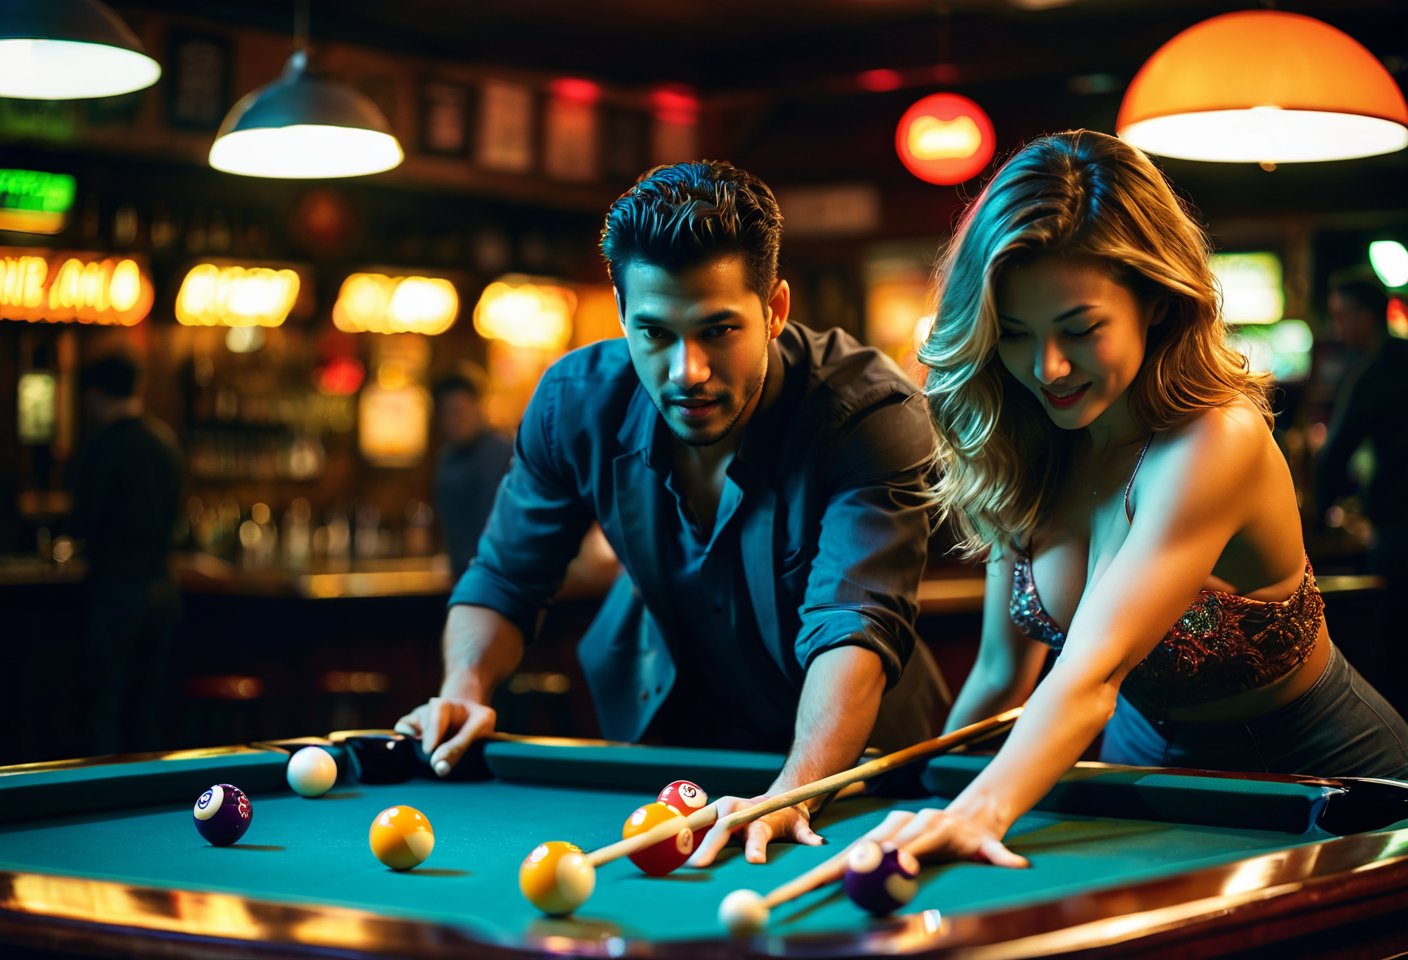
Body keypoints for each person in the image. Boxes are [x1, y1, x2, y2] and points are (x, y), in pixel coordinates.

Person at [869, 130, 1408, 868]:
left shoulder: (1217, 438)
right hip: (1139, 769)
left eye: (1080, 329)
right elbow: (999, 675)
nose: (1046, 366)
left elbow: (1092, 674)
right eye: (1016, 334)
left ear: (1155, 301)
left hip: (1325, 780)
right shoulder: (1027, 444)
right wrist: (925, 803)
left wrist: (981, 810)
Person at [397, 159, 948, 864]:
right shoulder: (576, 404)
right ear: (623, 314)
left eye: (718, 330)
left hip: (850, 772)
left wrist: (795, 792)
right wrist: (462, 688)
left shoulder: (869, 416)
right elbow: (505, 579)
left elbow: (851, 626)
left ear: (775, 309)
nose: (687, 370)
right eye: (654, 333)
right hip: (673, 736)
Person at [70, 349, 184, 755]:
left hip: (117, 591)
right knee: (147, 708)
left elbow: (84, 518)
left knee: (106, 706)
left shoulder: (103, 445)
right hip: (162, 590)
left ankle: (102, 799)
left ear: (95, 396)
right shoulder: (165, 441)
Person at [1314, 275, 1408, 711]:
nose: (1336, 328)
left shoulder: (1375, 367)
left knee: (1392, 639)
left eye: (1340, 317)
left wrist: (1313, 516)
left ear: (1365, 316)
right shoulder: (1398, 357)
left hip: (1398, 524)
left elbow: (1336, 451)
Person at [430, 362, 514, 579]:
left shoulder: (501, 453)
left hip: (497, 578)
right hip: (462, 576)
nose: (453, 420)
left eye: (459, 411)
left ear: (478, 407)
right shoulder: (446, 457)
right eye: (446, 413)